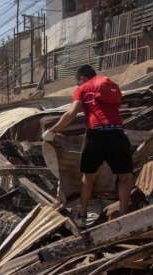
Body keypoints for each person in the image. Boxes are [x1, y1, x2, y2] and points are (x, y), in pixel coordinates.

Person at [43, 64, 134, 221]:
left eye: (78, 82)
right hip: (117, 133)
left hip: (96, 135)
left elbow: (71, 114)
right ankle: (124, 215)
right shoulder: (111, 86)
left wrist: (53, 131)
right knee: (125, 177)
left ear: (82, 78)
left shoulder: (83, 88)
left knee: (88, 177)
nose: (78, 85)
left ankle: (83, 214)